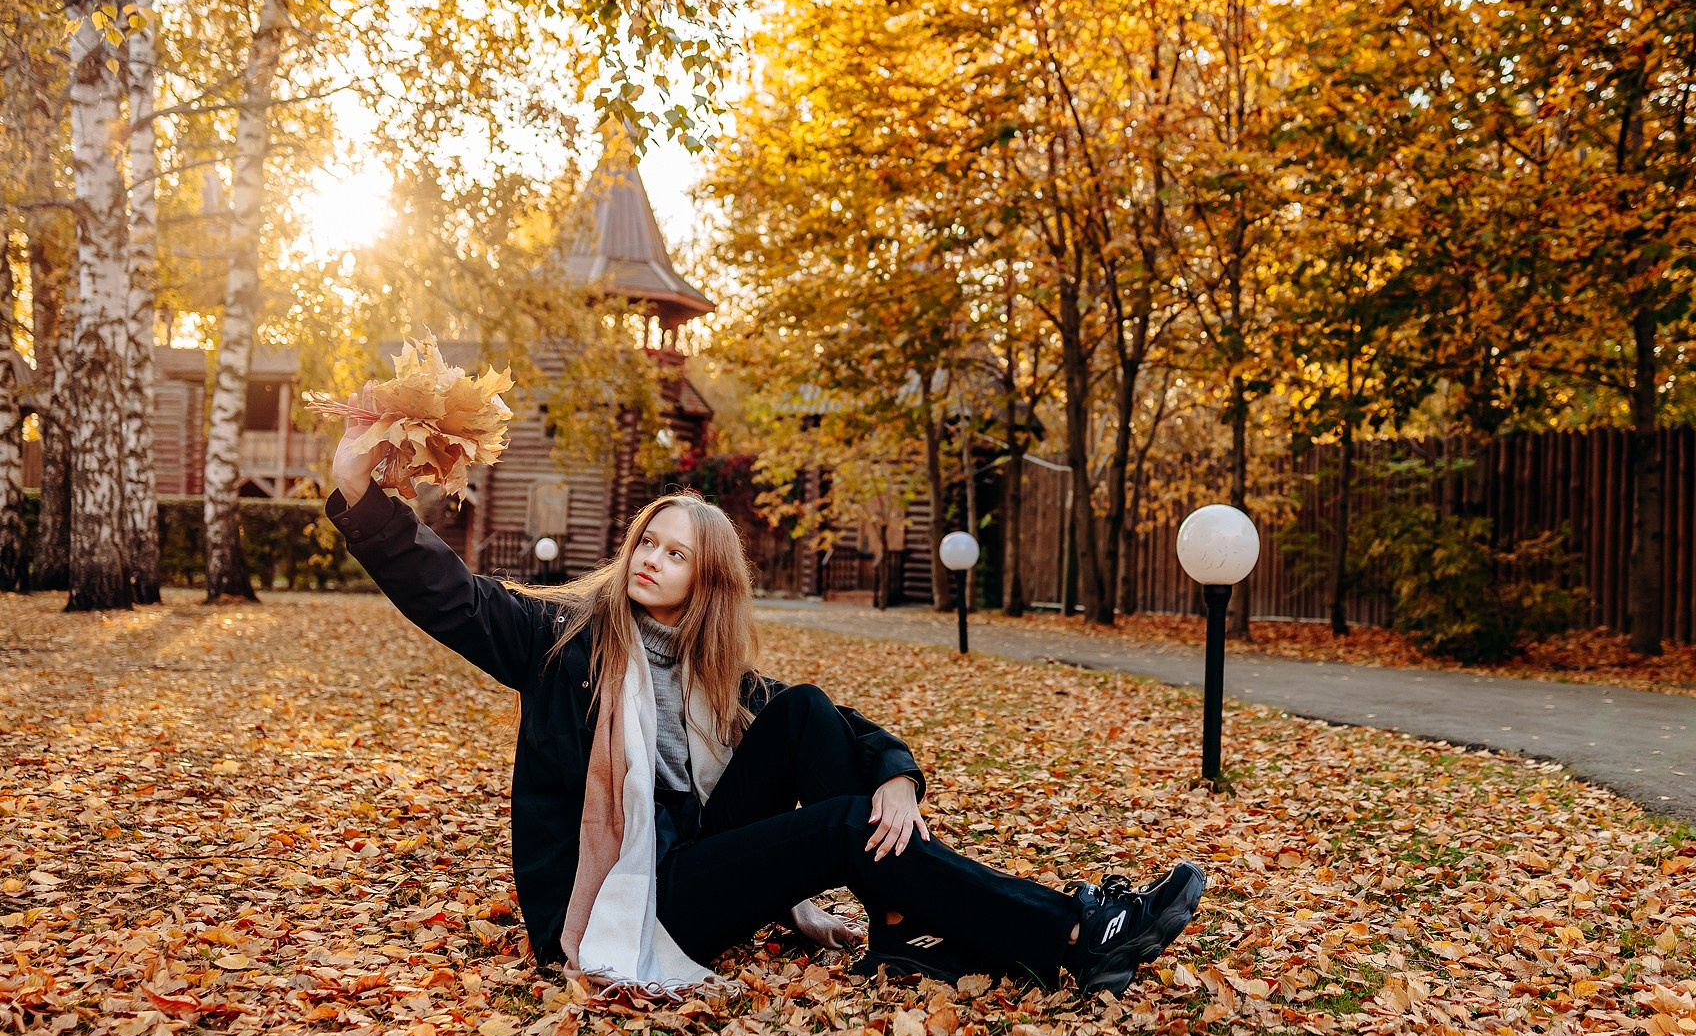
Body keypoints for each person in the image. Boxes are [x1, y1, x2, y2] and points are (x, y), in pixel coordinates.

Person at [325, 426, 1204, 998]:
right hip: (628, 900)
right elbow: (453, 597)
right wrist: (361, 498)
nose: (653, 562)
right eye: (649, 545)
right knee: (834, 823)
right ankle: (1077, 931)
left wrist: (898, 775)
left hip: (695, 860)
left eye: (676, 554)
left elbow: (840, 727)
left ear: (705, 581)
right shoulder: (562, 643)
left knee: (810, 713)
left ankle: (898, 918)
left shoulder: (717, 675)